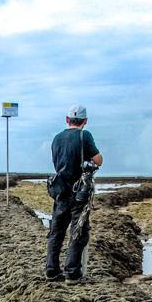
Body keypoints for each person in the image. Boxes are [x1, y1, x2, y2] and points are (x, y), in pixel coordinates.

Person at [45, 104, 103, 282]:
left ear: (67, 120)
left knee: (56, 231)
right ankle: (72, 272)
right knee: (79, 231)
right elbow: (98, 160)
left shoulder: (57, 138)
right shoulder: (85, 136)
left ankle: (51, 270)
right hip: (79, 191)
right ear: (85, 121)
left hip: (59, 189)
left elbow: (57, 163)